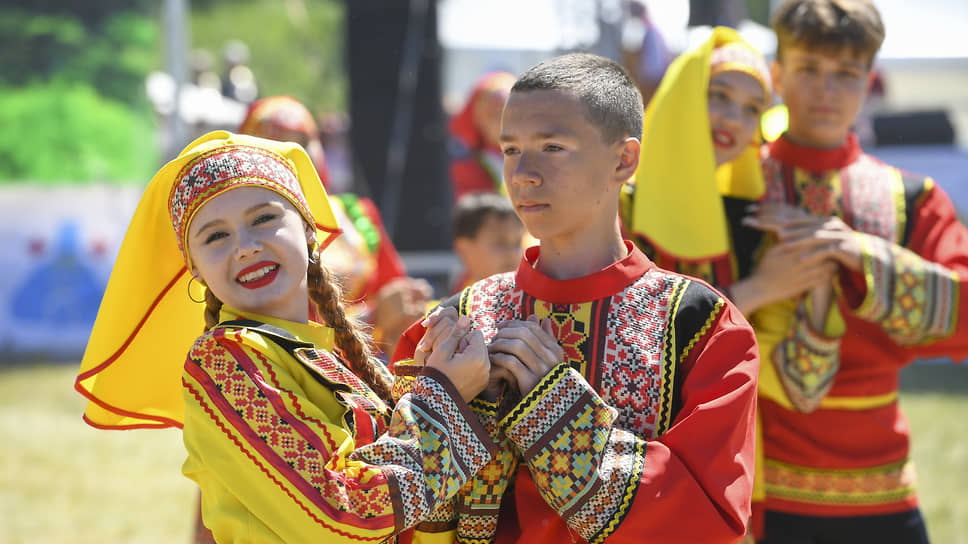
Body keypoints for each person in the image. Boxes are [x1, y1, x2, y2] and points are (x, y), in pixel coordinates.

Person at [392, 53, 760, 543]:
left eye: (552, 146)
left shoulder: (702, 325)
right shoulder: (453, 322)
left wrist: (558, 410)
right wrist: (443, 409)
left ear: (623, 159)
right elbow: (397, 519)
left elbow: (709, 522)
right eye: (510, 149)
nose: (523, 173)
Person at [75, 131, 498, 543]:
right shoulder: (224, 358)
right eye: (216, 236)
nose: (245, 247)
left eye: (264, 218)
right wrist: (442, 396)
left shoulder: (324, 355)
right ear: (196, 268)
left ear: (309, 230)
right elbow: (343, 514)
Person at [739, 1, 968, 541]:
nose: (827, 90)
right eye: (809, 69)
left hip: (884, 487)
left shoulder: (914, 198)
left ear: (870, 81)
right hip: (761, 486)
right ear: (777, 75)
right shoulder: (734, 186)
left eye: (845, 73)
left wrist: (861, 254)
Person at [620, 25, 838, 541]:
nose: (734, 120)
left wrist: (819, 271)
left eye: (751, 107)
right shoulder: (617, 203)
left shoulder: (754, 226)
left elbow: (799, 384)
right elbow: (618, 347)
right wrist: (757, 292)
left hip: (726, 474)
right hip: (625, 470)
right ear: (681, 97)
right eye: (719, 96)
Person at [239, 95, 432, 358]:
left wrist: (407, 300)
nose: (292, 156)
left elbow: (392, 285)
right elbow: (276, 324)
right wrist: (374, 317)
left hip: (374, 366)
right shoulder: (246, 235)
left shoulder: (355, 213)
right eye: (275, 147)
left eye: (302, 143)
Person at [448, 71, 517, 201]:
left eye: (506, 113)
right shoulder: (465, 161)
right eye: (492, 113)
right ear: (476, 115)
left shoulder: (531, 155)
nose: (499, 121)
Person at [451, 192, 525, 293]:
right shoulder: (453, 305)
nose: (512, 253)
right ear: (464, 248)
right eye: (500, 242)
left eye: (517, 242)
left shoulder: (536, 300)